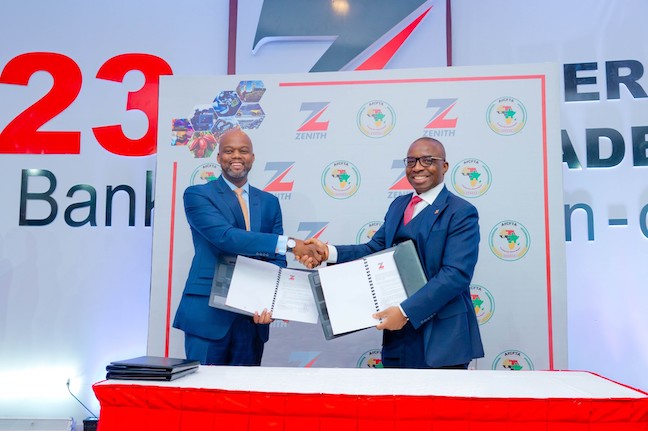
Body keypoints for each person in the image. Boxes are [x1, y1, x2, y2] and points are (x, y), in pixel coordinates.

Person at [302, 137, 484, 369]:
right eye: (411, 161)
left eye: (428, 160)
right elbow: (373, 249)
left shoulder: (461, 212)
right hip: (397, 335)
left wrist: (406, 311)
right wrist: (328, 252)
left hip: (441, 337)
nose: (417, 167)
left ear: (444, 166)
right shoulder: (398, 206)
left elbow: (456, 274)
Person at [173, 128, 321, 366]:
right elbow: (226, 237)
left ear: (252, 157)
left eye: (243, 151)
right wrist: (292, 245)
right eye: (229, 151)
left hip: (253, 318)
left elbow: (277, 259)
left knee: (244, 397)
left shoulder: (269, 202)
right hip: (208, 316)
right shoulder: (197, 195)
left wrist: (270, 301)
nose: (236, 156)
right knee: (204, 395)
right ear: (218, 157)